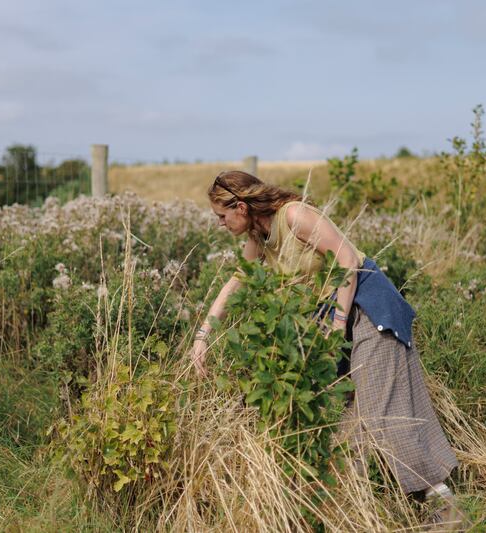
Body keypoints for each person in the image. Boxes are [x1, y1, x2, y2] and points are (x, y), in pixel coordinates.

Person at [190, 170, 464, 529]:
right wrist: (202, 336)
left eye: (221, 216)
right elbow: (238, 280)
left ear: (240, 206)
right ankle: (369, 511)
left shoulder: (293, 215)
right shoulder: (260, 233)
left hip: (368, 310)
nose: (220, 224)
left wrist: (336, 325)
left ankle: (448, 511)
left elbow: (348, 259)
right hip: (339, 322)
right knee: (342, 422)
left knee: (384, 415)